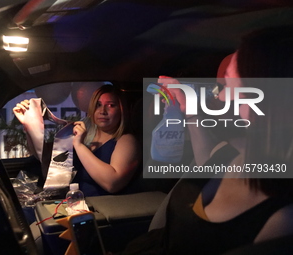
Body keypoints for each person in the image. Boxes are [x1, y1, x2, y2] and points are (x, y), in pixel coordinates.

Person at [122, 26, 293, 254]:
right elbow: (206, 167)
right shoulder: (231, 152)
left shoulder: (282, 218)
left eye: (226, 83)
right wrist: (188, 108)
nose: (219, 95)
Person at [13, 85, 140, 197]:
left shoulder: (127, 140)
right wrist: (29, 125)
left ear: (121, 110)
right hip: (70, 201)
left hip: (99, 209)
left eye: (111, 105)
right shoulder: (87, 131)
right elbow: (46, 157)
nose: (103, 111)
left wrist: (78, 144)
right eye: (98, 105)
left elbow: (112, 184)